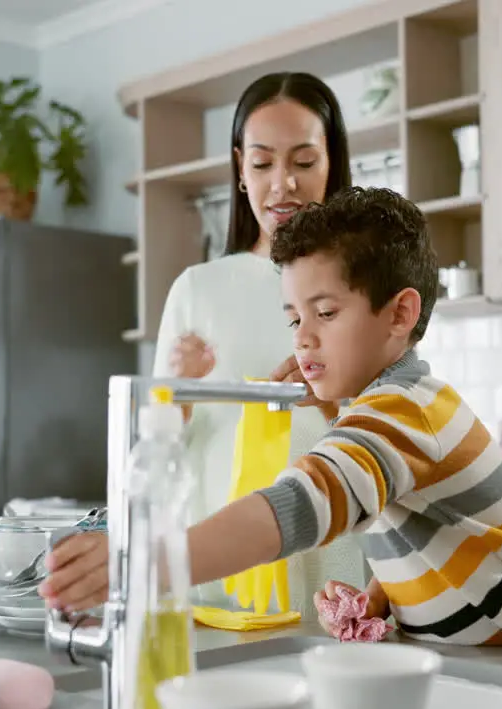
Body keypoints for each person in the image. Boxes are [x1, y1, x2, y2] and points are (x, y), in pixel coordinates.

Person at [43, 187, 502, 653]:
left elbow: (302, 504)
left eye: (326, 313)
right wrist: (383, 599)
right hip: (489, 664)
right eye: (295, 317)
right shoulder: (384, 410)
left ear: (400, 314)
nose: (303, 336)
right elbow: (445, 546)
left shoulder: (404, 411)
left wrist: (147, 562)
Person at [147, 71, 367, 612]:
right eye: (263, 163)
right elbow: (150, 450)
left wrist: (332, 403)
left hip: (327, 550)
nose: (282, 184)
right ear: (241, 170)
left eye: (304, 161)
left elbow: (398, 431)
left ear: (331, 162)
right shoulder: (197, 289)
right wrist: (176, 395)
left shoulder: (365, 285)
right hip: (219, 560)